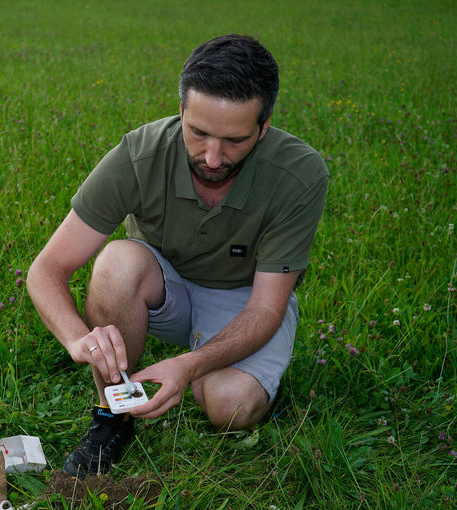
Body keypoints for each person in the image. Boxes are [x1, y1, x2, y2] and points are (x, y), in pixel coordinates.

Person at [26, 34, 329, 478]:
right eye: (198, 132)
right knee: (115, 263)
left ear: (263, 128)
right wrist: (76, 338)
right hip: (164, 286)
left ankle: (257, 384)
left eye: (234, 141)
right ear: (182, 111)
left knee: (230, 406)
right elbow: (46, 269)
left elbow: (267, 306)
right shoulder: (139, 154)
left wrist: (188, 367)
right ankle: (114, 414)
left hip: (244, 297)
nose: (211, 157)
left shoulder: (300, 174)